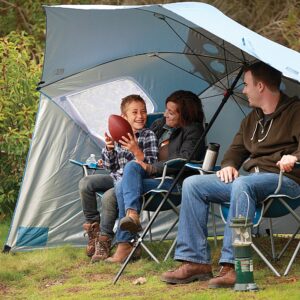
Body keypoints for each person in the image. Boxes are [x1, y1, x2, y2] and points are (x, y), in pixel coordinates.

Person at [160, 61, 300, 287]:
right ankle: (195, 262)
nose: (243, 90)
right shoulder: (251, 119)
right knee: (193, 184)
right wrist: (229, 165)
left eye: (246, 84)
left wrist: (294, 156)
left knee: (241, 185)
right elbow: (235, 151)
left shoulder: (296, 112)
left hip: (285, 182)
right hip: (250, 182)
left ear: (261, 86)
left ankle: (233, 266)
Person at [106, 90, 206, 263]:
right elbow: (143, 146)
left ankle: (125, 243)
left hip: (173, 184)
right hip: (151, 179)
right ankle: (132, 216)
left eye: (171, 112)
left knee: (123, 185)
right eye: (166, 109)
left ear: (184, 114)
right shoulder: (160, 125)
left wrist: (152, 168)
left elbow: (183, 160)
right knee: (130, 169)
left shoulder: (194, 131)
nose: (165, 114)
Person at [79, 94, 158, 262]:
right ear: (124, 117)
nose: (140, 116)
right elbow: (110, 166)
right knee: (86, 183)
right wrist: (109, 149)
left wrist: (136, 150)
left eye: (143, 112)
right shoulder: (118, 135)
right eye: (134, 112)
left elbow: (152, 167)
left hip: (131, 182)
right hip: (115, 177)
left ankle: (105, 240)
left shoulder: (148, 135)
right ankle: (94, 231)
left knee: (108, 196)